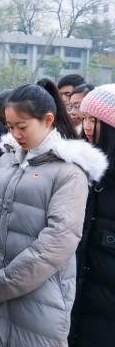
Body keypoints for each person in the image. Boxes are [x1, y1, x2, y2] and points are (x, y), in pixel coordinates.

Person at [0, 79, 107, 347]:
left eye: (22, 126)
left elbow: (58, 241)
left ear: (48, 120)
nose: (15, 134)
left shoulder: (68, 171)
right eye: (9, 127)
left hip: (41, 300)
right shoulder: (6, 160)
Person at [69, 85, 115, 346]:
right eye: (84, 117)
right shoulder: (79, 167)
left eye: (94, 120)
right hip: (79, 295)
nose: (86, 126)